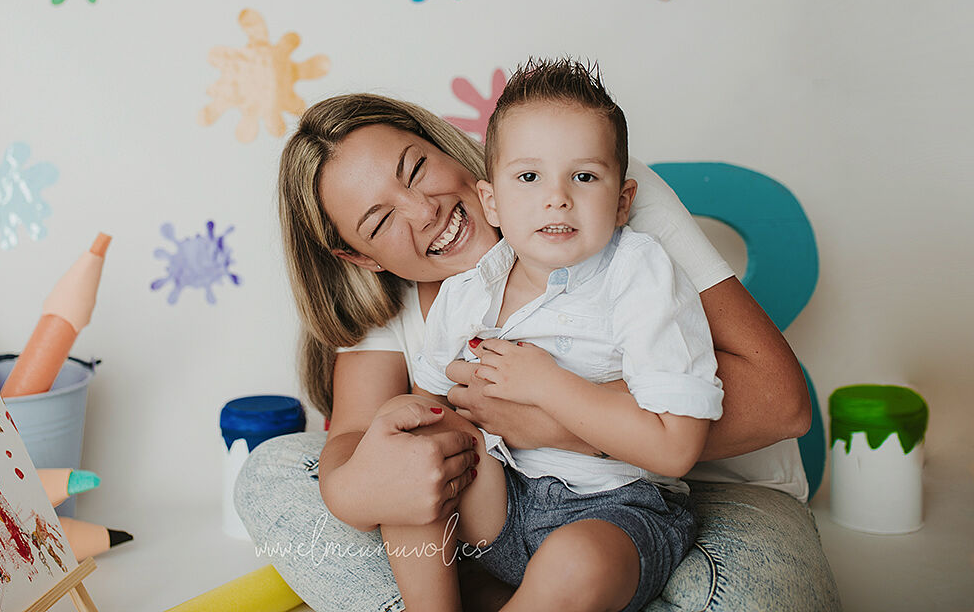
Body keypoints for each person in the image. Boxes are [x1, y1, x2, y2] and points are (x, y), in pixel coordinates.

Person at [235, 79, 841, 612]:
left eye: (417, 169)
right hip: (513, 501)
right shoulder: (408, 291)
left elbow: (782, 404)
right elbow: (359, 440)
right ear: (360, 256)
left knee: (734, 595)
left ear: (446, 144)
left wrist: (544, 416)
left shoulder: (590, 197)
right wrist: (365, 482)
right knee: (274, 472)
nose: (422, 211)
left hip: (697, 501)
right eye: (380, 221)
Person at [384, 58, 724, 612]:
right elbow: (432, 405)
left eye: (584, 176)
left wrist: (548, 385)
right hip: (500, 503)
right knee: (410, 469)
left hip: (617, 508)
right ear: (491, 201)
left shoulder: (638, 272)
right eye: (529, 176)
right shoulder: (471, 288)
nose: (557, 197)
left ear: (622, 202)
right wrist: (406, 430)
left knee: (574, 563)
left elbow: (676, 447)